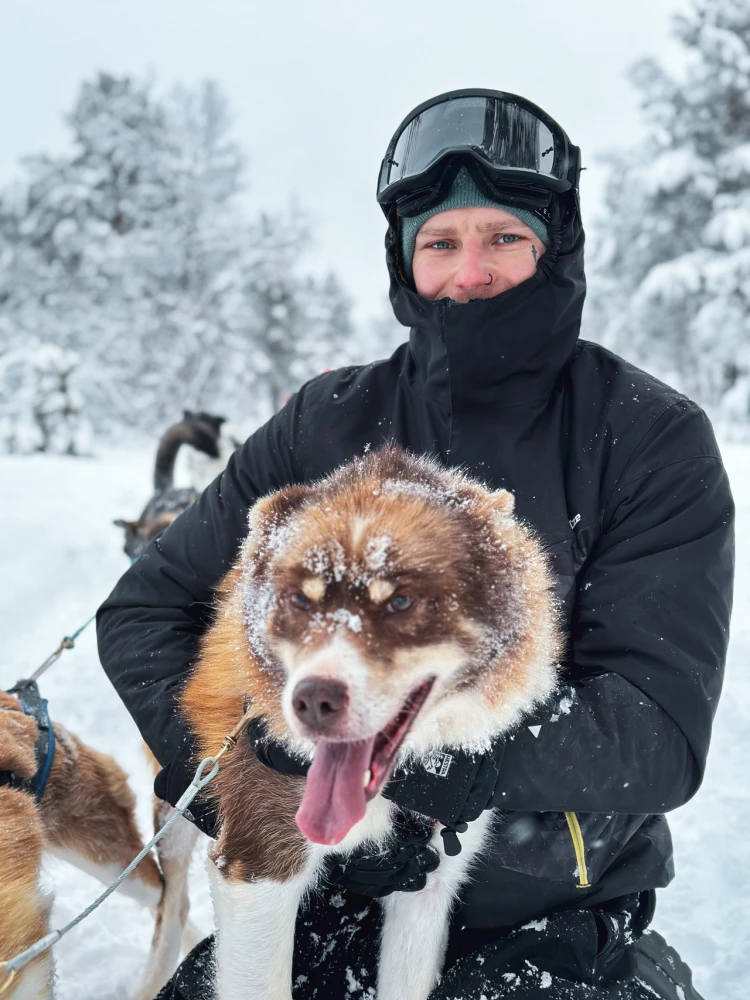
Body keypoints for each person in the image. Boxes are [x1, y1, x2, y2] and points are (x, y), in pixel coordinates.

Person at [97, 89, 734, 999]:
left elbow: (659, 731)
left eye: (503, 238)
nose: (469, 271)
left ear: (556, 247)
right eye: (439, 242)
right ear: (403, 257)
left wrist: (454, 764)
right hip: (319, 894)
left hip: (547, 913)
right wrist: (225, 771)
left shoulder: (647, 438)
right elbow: (143, 613)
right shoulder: (325, 422)